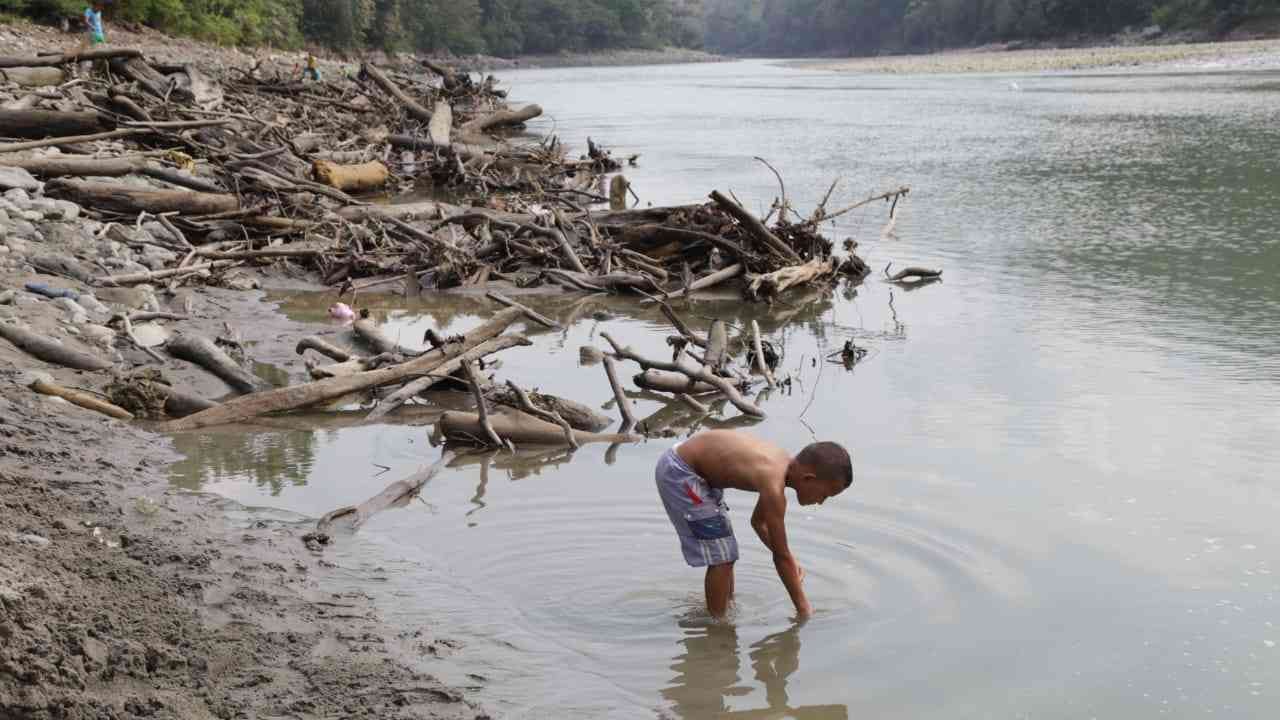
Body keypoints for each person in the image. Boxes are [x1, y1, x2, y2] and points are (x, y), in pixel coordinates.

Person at [656, 430, 853, 619]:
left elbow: (758, 523)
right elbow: (780, 557)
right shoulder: (773, 485)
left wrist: (790, 558)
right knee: (722, 557)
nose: (821, 502)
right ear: (809, 478)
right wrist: (804, 609)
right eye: (825, 495)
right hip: (681, 473)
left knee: (726, 553)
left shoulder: (782, 468)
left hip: (694, 471)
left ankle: (724, 606)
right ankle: (717, 625)